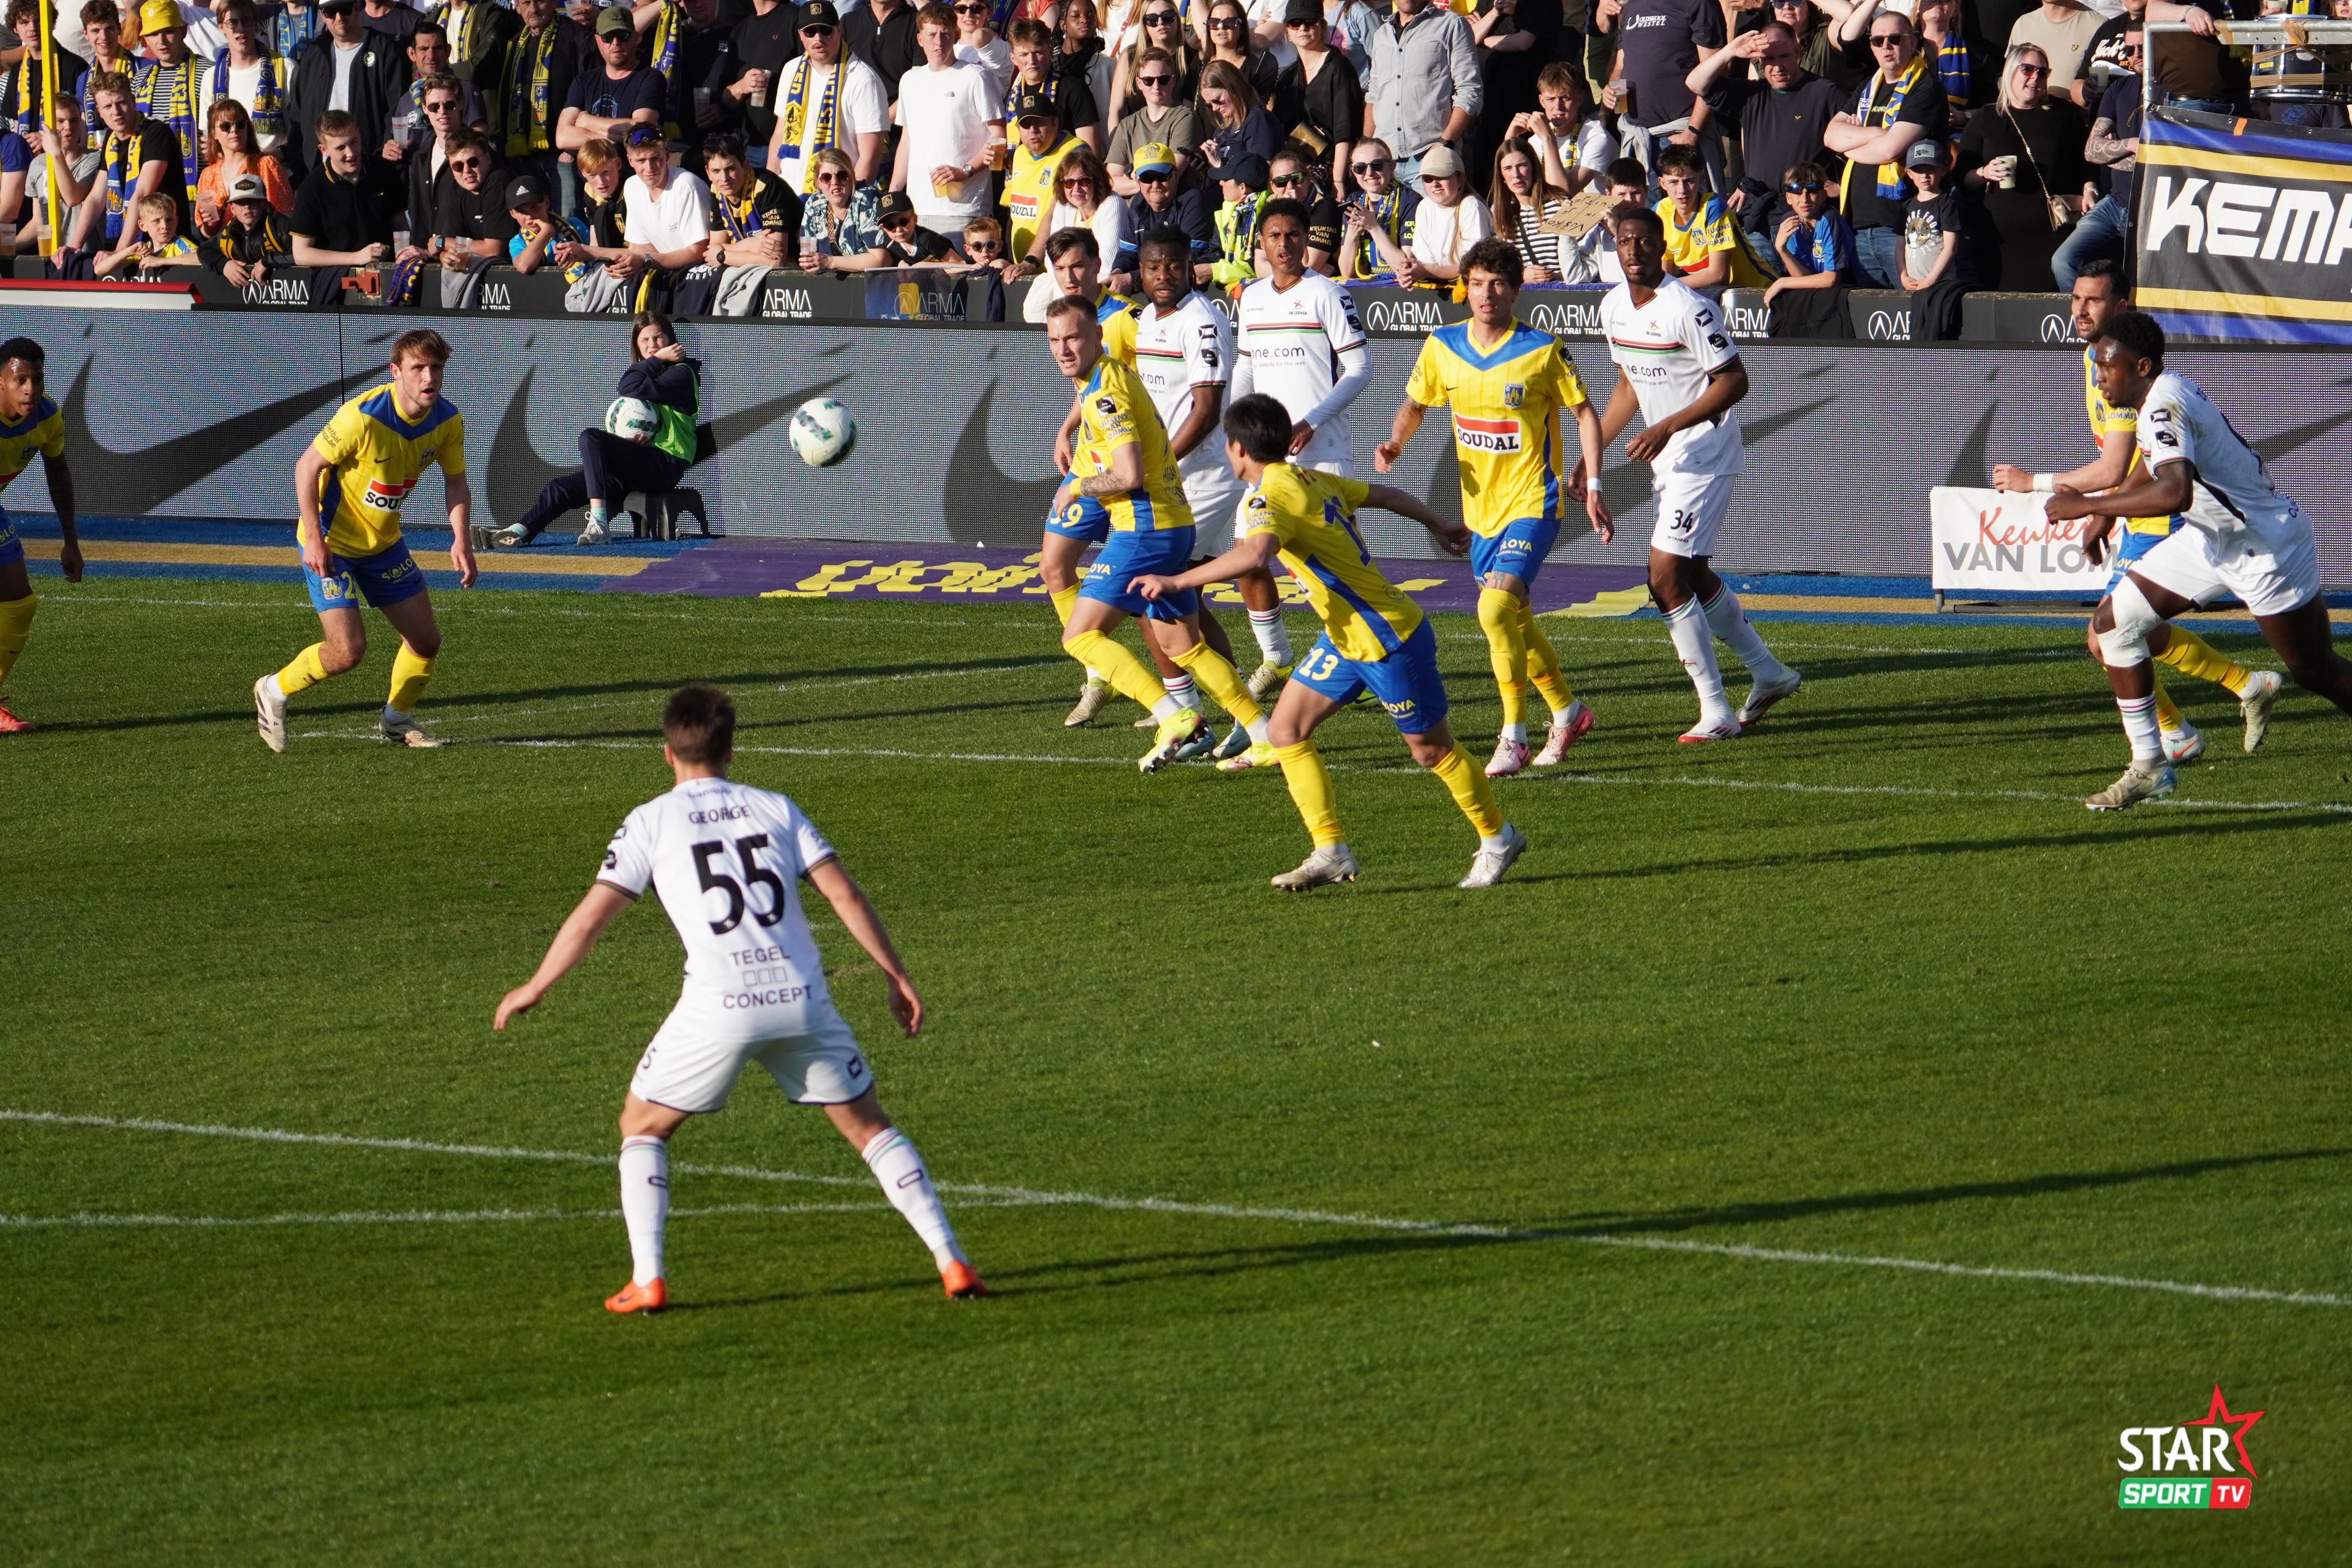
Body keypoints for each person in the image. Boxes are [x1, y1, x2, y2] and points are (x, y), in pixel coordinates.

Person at [493, 682, 990, 1313]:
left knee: (642, 1126)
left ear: (667, 753)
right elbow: (842, 894)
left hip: (719, 1007)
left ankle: (648, 1278)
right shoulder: (776, 807)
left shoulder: (650, 821)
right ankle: (951, 1260)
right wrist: (895, 974)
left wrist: (537, 984)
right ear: (731, 749)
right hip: (802, 998)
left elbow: (592, 916)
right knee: (869, 1127)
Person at [1131, 393, 1528, 889]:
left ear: (1238, 448)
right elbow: (1385, 496)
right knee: (1286, 731)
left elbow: (1255, 555)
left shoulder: (1267, 497)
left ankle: (1498, 838)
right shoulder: (1310, 478)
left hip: (1386, 636)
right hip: (1344, 637)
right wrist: (1438, 522)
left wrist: (1177, 581)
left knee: (1431, 750)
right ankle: (1330, 852)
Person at [2043, 313, 2352, 808]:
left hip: (2264, 548)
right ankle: (2150, 766)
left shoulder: (2162, 405)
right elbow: (2153, 463)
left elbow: (2174, 492)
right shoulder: (2159, 396)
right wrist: (2107, 511)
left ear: (2142, 367)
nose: (2098, 376)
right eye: (2096, 366)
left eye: (2107, 366)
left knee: (2316, 671)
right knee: (2112, 626)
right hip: (2211, 540)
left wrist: (2088, 505)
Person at [1990, 264, 2278, 763]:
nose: (2081, 310)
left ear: (2120, 306)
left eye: (2094, 300)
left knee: (2106, 634)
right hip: (2139, 512)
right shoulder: (2097, 359)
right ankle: (2244, 686)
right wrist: (2106, 516)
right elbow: (2130, 464)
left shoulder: (2129, 373)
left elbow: (2113, 467)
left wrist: (2032, 483)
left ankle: (2177, 734)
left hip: (2162, 517)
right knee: (2132, 629)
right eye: (2076, 298)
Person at [1378, 236, 1610, 775]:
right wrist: (1394, 443)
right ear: (1465, 288)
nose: (1487, 294)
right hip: (1481, 512)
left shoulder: (1541, 350)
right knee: (1514, 619)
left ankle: (1514, 737)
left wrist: (1594, 484)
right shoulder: (1443, 345)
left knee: (1493, 609)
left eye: (1498, 284)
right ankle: (1568, 712)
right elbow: (1415, 404)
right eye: (1478, 283)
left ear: (1515, 290)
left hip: (1534, 500)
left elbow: (1585, 413)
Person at [1041, 292, 1273, 771]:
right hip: (1172, 523)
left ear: (1097, 336)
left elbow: (1129, 475)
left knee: (1080, 637)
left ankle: (1173, 716)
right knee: (1182, 646)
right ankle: (1262, 733)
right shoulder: (1108, 374)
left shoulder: (1104, 394)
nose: (1063, 349)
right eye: (1055, 340)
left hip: (1144, 529)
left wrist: (1078, 486)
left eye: (1073, 338)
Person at [1596, 203, 1800, 742]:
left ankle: (1716, 711)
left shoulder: (1688, 307)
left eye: (1645, 241)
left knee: (1663, 577)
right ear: (1616, 248)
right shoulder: (1612, 306)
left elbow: (1734, 381)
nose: (1635, 250)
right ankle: (1770, 674)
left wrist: (1667, 426)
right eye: (1625, 242)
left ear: (1663, 248)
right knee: (1692, 575)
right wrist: (1590, 456)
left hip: (1705, 455)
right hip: (1669, 460)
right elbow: (1628, 385)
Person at [252, 329, 477, 754]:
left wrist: (460, 539)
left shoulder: (448, 420)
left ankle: (397, 719)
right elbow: (306, 468)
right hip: (332, 544)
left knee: (426, 641)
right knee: (347, 652)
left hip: (383, 545)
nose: (429, 377)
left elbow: (456, 481)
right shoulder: (362, 417)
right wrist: (314, 540)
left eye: (436, 368)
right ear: (396, 372)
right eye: (418, 368)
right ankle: (273, 689)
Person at [1115, 224, 1257, 756]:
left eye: (1174, 266)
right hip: (1171, 478)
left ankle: (1215, 714)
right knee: (1169, 598)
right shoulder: (1147, 320)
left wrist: (1158, 463)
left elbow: (1207, 409)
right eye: (1153, 267)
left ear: (1190, 269)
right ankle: (1205, 716)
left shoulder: (1202, 321)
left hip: (1203, 480)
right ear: (1141, 272)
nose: (1164, 276)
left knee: (1155, 591)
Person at [1229, 195, 1368, 693]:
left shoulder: (1327, 293)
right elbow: (1246, 366)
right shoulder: (1252, 298)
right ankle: (1277, 657)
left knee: (1335, 575)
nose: (1284, 244)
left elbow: (1359, 368)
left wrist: (1310, 422)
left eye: (1293, 235)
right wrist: (1235, 425)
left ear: (1307, 240)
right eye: (1275, 236)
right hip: (1267, 461)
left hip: (1323, 454)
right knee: (1247, 557)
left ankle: (1364, 660)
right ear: (1261, 243)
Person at [496, 311, 697, 548]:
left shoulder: (682, 373)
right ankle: (517, 532)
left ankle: (599, 524)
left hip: (666, 464)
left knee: (591, 438)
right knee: (561, 487)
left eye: (658, 337)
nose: (652, 345)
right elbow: (633, 390)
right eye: (645, 340)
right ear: (636, 345)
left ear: (670, 340)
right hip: (641, 463)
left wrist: (658, 359)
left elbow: (628, 386)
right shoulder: (649, 373)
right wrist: (628, 443)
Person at [1685, 20, 1843, 246]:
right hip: (1759, 221)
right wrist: (1730, 50)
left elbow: (1853, 143)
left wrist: (1841, 188)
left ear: (1797, 51)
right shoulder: (1751, 94)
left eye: (1784, 56)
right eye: (1769, 59)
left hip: (1807, 221)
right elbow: (1695, 83)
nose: (1778, 67)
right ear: (1759, 60)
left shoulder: (1825, 93)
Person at [1822, 7, 1947, 290]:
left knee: (1915, 305)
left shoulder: (1925, 86)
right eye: (1878, 41)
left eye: (1895, 39)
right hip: (1857, 223)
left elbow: (1891, 149)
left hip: (1903, 225)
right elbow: (1831, 136)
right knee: (1872, 314)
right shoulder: (1867, 87)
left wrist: (1851, 145)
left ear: (1913, 41)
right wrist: (1876, 133)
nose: (1886, 46)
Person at [1956, 42, 2084, 293]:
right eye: (2027, 69)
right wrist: (1985, 172)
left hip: (2054, 233)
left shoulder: (2064, 115)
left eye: (2043, 72)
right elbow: (1962, 179)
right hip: (1999, 240)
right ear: (2010, 72)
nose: (2035, 77)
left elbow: (2086, 167)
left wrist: (2089, 190)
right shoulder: (1986, 118)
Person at [0, 337, 80, 736]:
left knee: (20, 603)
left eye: (37, 379)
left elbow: (58, 475)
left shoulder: (48, 417)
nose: (30, 388)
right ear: (1, 382)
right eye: (21, 380)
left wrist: (71, 542)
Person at [894, 1, 1002, 239]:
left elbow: (1000, 137)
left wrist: (966, 171)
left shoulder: (976, 76)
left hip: (966, 211)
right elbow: (907, 141)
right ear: (920, 39)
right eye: (931, 35)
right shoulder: (909, 80)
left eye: (945, 34)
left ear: (955, 36)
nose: (939, 41)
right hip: (916, 210)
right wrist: (894, 195)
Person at [768, 1, 889, 192]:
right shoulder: (791, 69)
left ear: (839, 30)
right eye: (810, 32)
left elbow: (870, 156)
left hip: (836, 197)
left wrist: (849, 204)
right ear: (800, 35)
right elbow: (780, 133)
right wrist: (770, 188)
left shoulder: (863, 79)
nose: (818, 38)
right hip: (788, 193)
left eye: (826, 30)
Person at [286, 0, 409, 184]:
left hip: (370, 172)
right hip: (320, 173)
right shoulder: (315, 53)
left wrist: (388, 147)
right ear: (322, 16)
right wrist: (298, 164)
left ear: (356, 8)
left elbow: (399, 108)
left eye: (344, 9)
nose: (339, 17)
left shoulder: (384, 48)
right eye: (330, 12)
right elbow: (298, 113)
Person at [1605, 0, 1724, 188]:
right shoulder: (1632, 6)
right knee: (1648, 209)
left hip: (1681, 137)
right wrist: (1611, 88)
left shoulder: (1697, 3)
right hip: (1639, 141)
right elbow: (1620, 65)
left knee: (1694, 207)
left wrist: (1692, 133)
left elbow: (1715, 73)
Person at [488, 0, 592, 210]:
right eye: (526, 3)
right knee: (533, 225)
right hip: (522, 159)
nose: (533, 9)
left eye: (541, 1)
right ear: (517, 7)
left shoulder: (578, 36)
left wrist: (571, 152)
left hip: (564, 158)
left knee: (568, 224)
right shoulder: (515, 43)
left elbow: (590, 95)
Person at [2054, 18, 2135, 290]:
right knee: (2063, 261)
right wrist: (2130, 145)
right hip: (2114, 201)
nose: (2134, 55)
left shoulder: (2168, 92)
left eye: (2141, 49)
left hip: (2148, 205)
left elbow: (2158, 157)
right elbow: (2091, 151)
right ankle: (2083, 315)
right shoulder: (2118, 88)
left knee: (2137, 277)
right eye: (2129, 50)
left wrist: (2113, 150)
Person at [1365, 0, 1479, 191]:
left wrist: (1445, 144)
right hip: (1383, 162)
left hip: (1431, 158)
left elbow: (1469, 91)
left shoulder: (1451, 25)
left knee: (1440, 212)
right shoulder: (1381, 35)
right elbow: (1374, 95)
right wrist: (1367, 147)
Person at [77, 70, 187, 253]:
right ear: (99, 111)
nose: (116, 112)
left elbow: (142, 194)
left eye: (121, 103)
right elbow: (96, 198)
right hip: (125, 243)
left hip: (163, 246)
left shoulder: (157, 132)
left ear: (133, 101)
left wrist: (119, 252)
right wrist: (75, 246)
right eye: (108, 106)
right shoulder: (110, 138)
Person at [1652, 141, 1768, 293]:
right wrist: (1664, 286)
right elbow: (1666, 274)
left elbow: (1718, 275)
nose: (1682, 190)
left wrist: (1666, 286)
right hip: (1715, 296)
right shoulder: (1660, 211)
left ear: (1701, 179)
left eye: (1689, 181)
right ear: (1662, 183)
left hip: (1758, 290)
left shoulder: (1712, 207)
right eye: (1674, 182)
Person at [287, 107, 400, 263]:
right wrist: (356, 258)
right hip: (338, 275)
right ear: (324, 150)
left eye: (353, 142)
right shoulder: (311, 189)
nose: (351, 153)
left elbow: (402, 227)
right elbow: (301, 254)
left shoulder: (384, 171)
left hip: (389, 270)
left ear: (359, 133)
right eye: (340, 148)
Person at [1272, 0, 1357, 194]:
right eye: (1295, 23)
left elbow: (1345, 132)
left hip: (1331, 167)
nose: (1303, 28)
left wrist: (1338, 181)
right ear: (1287, 31)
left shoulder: (1339, 68)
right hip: (1297, 168)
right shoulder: (1288, 77)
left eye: (1310, 23)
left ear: (1322, 27)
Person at [1106, 138, 1213, 287]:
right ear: (1137, 181)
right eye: (1147, 178)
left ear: (1175, 175)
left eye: (1163, 176)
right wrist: (1118, 272)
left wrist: (1132, 278)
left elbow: (1189, 257)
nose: (1156, 184)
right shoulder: (1138, 205)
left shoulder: (1193, 200)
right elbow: (1127, 253)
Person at [197, 1, 293, 166]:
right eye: (233, 22)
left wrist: (281, 153)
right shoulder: (211, 77)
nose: (240, 28)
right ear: (221, 27)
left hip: (276, 169)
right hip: (230, 173)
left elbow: (301, 128)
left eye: (246, 21)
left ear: (255, 24)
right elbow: (210, 137)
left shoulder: (286, 68)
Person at [1490, 134, 1594, 283]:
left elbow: (1588, 259)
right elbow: (1496, 267)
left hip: (1563, 292)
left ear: (1534, 167)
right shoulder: (1500, 213)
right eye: (1508, 168)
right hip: (1524, 295)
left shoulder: (1560, 205)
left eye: (1522, 166)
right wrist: (1521, 275)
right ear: (1501, 176)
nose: (1516, 175)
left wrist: (1555, 277)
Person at [559, 6, 664, 154]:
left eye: (623, 35)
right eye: (608, 37)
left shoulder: (651, 78)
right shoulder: (583, 81)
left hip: (629, 168)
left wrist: (586, 121)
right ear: (597, 40)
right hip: (589, 169)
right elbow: (563, 137)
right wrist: (618, 140)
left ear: (636, 38)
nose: (615, 43)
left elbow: (640, 133)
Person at [1894, 136, 1970, 336]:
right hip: (1913, 286)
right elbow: (1900, 246)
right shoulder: (1906, 206)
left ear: (1944, 170)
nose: (1925, 175)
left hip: (1941, 287)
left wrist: (1930, 281)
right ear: (1909, 173)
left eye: (1931, 169)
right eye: (1918, 170)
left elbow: (1950, 248)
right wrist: (1903, 276)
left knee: (1938, 334)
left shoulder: (1946, 204)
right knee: (1916, 334)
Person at [1508, 61, 1610, 198]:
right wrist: (1510, 141)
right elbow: (1516, 184)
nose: (1558, 106)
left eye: (1565, 98)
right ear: (1542, 101)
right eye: (1551, 99)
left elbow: (1564, 192)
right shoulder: (1536, 139)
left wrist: (1548, 138)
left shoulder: (1596, 136)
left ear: (1580, 99)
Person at [1002, 79, 1078, 260]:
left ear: (1055, 122)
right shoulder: (1020, 153)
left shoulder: (1074, 153)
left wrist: (1032, 259)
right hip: (1021, 266)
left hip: (1058, 265)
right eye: (1026, 124)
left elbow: (1055, 211)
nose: (1033, 130)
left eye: (1040, 122)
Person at [1104, 45, 1197, 192]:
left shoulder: (1185, 118)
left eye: (1164, 80)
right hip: (1132, 206)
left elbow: (1171, 176)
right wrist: (1147, 181)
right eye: (1148, 80)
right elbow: (1110, 182)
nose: (1156, 86)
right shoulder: (1127, 124)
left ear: (1173, 81)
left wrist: (1133, 177)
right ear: (1139, 83)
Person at [192, 98, 294, 232]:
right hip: (225, 243)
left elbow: (286, 215)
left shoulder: (266, 165)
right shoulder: (208, 175)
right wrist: (209, 225)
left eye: (240, 124)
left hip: (262, 241)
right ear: (214, 133)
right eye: (225, 126)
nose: (234, 130)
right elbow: (206, 234)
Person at [1025, 138, 1121, 274]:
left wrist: (1069, 278)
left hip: (1099, 283)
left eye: (1084, 182)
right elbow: (1052, 259)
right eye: (1069, 183)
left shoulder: (1112, 203)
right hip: (1065, 281)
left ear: (1097, 181)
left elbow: (1106, 265)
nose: (1076, 189)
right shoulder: (1063, 206)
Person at [1398, 140, 1487, 284]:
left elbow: (1475, 267)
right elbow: (1426, 262)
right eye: (1428, 179)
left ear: (1460, 179)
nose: (1435, 184)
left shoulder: (1471, 205)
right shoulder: (1424, 207)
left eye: (1441, 176)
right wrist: (1410, 270)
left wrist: (1425, 271)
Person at [25, 93, 106, 252]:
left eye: (74, 120)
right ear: (46, 125)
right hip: (50, 255)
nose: (68, 127)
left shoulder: (95, 159)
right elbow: (38, 222)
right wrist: (11, 245)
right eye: (60, 121)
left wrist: (56, 153)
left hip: (83, 255)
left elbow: (73, 198)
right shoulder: (38, 164)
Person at [701, 129, 791, 265]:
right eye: (716, 171)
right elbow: (713, 249)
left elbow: (776, 261)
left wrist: (722, 257)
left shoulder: (767, 186)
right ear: (708, 172)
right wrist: (749, 244)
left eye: (730, 169)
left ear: (745, 166)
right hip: (752, 262)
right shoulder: (716, 190)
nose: (724, 178)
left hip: (795, 266)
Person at [1005, 16, 1097, 148]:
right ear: (1013, 59)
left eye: (1038, 52)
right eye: (1024, 55)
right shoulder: (1012, 98)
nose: (1031, 61)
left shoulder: (1074, 89)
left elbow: (1091, 150)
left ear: (1050, 52)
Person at [1766, 157, 1850, 300]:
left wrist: (1782, 282)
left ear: (1823, 195)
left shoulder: (1829, 219)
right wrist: (1782, 249)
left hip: (1846, 294)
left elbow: (1831, 279)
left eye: (1811, 192)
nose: (1805, 200)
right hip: (1819, 296)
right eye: (1798, 193)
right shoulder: (1789, 222)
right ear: (1788, 198)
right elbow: (1803, 279)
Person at [796, 141, 887, 268]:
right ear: (818, 183)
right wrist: (811, 263)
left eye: (842, 175)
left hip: (872, 278)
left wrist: (830, 262)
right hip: (829, 278)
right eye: (826, 178)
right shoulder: (814, 203)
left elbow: (881, 259)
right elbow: (808, 256)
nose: (835, 182)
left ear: (852, 177)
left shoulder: (867, 199)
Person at [1334, 134, 1412, 279]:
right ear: (1354, 172)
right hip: (1367, 285)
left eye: (1377, 165)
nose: (1369, 173)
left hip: (1400, 285)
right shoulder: (1354, 201)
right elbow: (1346, 272)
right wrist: (1352, 234)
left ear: (1391, 166)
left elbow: (1406, 268)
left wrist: (1373, 228)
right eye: (1360, 168)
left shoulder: (1409, 200)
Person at [1106, 3, 1195, 123]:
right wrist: (1115, 135)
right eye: (1152, 20)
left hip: (1181, 131)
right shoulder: (1130, 57)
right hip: (1135, 133)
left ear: (1178, 21)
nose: (1161, 23)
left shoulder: (1194, 58)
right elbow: (1116, 111)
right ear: (1145, 27)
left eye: (1168, 17)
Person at [205, 168, 296, 279]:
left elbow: (303, 253)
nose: (247, 207)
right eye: (241, 202)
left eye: (253, 201)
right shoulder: (229, 233)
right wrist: (224, 265)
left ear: (265, 203)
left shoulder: (280, 226)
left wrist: (268, 261)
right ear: (232, 209)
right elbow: (204, 250)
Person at [2007, 0, 2102, 106]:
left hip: (2074, 115)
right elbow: (2008, 78)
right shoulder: (2023, 24)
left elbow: (2100, 89)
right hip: (2022, 115)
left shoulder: (2099, 26)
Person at [1265, 140, 1339, 272]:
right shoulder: (1269, 207)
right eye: (1281, 182)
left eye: (1296, 179)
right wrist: (1292, 271)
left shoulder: (1324, 206)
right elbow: (1260, 266)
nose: (1290, 186)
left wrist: (1293, 212)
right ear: (1273, 187)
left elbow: (1307, 266)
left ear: (1308, 178)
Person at [1196, 56, 1277, 169]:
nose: (1214, 108)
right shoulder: (1222, 130)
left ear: (1233, 87)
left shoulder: (1259, 121)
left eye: (1217, 100)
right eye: (1210, 104)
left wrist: (1220, 164)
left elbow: (1260, 173)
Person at [96, 186, 202, 272]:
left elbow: (201, 257)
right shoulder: (144, 251)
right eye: (157, 221)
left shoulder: (179, 243)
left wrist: (160, 261)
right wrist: (128, 251)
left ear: (176, 221)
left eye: (169, 220)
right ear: (142, 226)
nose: (164, 226)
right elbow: (99, 270)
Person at [1202, 0, 1278, 103]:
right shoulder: (1199, 66)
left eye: (1230, 22)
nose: (1221, 27)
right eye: (1214, 22)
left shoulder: (1256, 68)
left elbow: (1267, 108)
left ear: (1242, 28)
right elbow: (1188, 106)